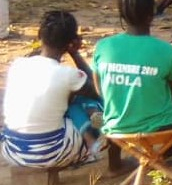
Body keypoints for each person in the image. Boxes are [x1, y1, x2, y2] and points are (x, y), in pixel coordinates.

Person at [94, 0, 172, 173]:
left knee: (114, 105)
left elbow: (101, 91)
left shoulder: (104, 47)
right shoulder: (166, 50)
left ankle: (115, 163)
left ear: (122, 16)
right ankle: (156, 157)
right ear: (152, 14)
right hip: (157, 130)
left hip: (115, 128)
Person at [1, 11, 104, 168]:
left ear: (40, 36)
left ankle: (88, 138)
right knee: (99, 105)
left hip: (12, 151)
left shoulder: (18, 65)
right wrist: (75, 54)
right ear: (70, 42)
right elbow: (98, 89)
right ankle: (96, 139)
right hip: (51, 153)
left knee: (67, 103)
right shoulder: (68, 75)